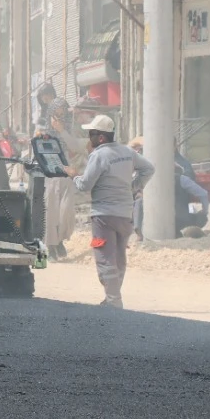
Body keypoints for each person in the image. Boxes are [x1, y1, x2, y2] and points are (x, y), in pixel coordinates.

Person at [69, 114, 155, 308]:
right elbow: (149, 169)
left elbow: (85, 185)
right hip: (125, 215)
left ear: (101, 137)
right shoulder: (127, 152)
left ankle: (113, 301)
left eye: (91, 134)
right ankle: (112, 297)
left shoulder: (99, 155)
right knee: (118, 256)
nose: (89, 138)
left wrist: (73, 176)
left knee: (104, 256)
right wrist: (133, 187)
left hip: (103, 216)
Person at [36, 82, 85, 261]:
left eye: (63, 109)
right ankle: (51, 245)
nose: (61, 112)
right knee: (51, 210)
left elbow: (75, 146)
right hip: (50, 169)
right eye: (44, 97)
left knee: (66, 210)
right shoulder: (42, 123)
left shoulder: (68, 125)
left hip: (66, 170)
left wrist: (62, 130)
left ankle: (60, 241)